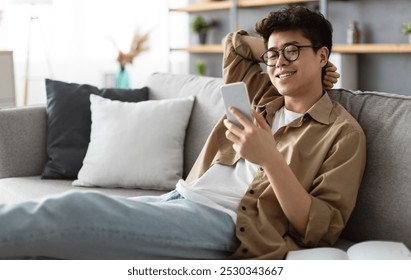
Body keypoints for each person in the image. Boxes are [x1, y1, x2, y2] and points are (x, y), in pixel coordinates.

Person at [0, 6, 365, 260]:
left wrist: (269, 159)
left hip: (230, 224)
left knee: (70, 212)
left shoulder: (342, 134)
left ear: (323, 55)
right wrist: (277, 52)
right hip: (180, 199)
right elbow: (236, 45)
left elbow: (320, 229)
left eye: (292, 51)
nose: (280, 62)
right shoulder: (263, 97)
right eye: (273, 55)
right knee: (44, 250)